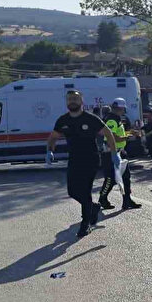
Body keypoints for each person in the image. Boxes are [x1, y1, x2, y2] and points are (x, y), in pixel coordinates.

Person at [47, 90, 118, 237]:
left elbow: (108, 133)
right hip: (74, 159)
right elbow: (53, 137)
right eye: (70, 99)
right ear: (67, 102)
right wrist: (49, 150)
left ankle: (85, 224)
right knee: (72, 191)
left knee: (85, 191)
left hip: (91, 159)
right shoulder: (63, 120)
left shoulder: (90, 119)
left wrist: (113, 153)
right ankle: (93, 207)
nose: (72, 101)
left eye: (75, 99)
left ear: (81, 102)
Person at [98, 98, 142, 211]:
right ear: (120, 108)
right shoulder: (111, 119)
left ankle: (127, 200)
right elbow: (111, 137)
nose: (124, 112)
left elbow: (118, 133)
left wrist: (129, 132)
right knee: (110, 178)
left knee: (126, 177)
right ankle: (102, 198)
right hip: (110, 153)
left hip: (120, 152)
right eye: (123, 109)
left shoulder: (116, 118)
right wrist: (127, 137)